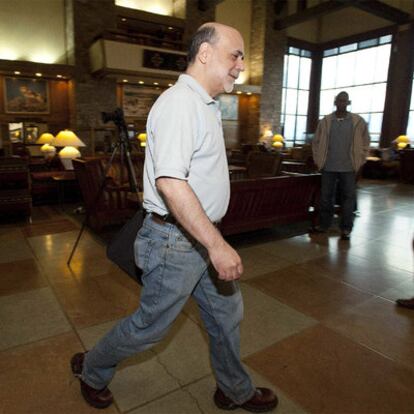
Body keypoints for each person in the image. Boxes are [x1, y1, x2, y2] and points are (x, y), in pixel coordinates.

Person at [70, 22, 278, 413]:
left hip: (199, 238)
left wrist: (212, 238)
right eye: (235, 55)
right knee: (150, 327)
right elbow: (170, 182)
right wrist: (216, 245)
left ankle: (233, 390)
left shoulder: (204, 104)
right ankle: (92, 368)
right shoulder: (180, 104)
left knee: (226, 318)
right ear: (205, 54)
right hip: (177, 243)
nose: (240, 66)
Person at [312, 91, 370, 240]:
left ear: (348, 103)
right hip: (328, 167)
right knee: (326, 197)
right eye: (339, 100)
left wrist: (360, 162)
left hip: (349, 168)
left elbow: (365, 143)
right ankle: (324, 225)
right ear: (335, 102)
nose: (342, 103)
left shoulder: (358, 122)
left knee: (349, 197)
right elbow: (316, 142)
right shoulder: (325, 122)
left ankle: (346, 228)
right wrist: (318, 160)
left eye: (345, 101)